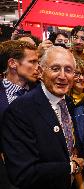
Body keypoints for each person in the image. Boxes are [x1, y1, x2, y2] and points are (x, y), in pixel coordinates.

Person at [2, 46, 84, 189]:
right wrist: (70, 167)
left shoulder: (68, 103)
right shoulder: (20, 110)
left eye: (69, 70)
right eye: (55, 68)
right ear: (40, 71)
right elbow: (23, 173)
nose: (63, 76)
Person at [0, 40, 39, 189]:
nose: (37, 67)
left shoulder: (41, 92)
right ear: (13, 63)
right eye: (32, 62)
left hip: (39, 174)